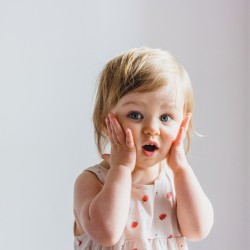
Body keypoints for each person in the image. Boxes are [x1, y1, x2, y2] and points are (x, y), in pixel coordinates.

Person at [73, 47, 214, 249]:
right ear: (106, 122)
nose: (152, 129)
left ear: (183, 125)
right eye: (136, 115)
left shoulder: (175, 181)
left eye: (165, 117)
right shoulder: (93, 181)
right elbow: (106, 233)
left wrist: (182, 170)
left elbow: (198, 230)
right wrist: (121, 168)